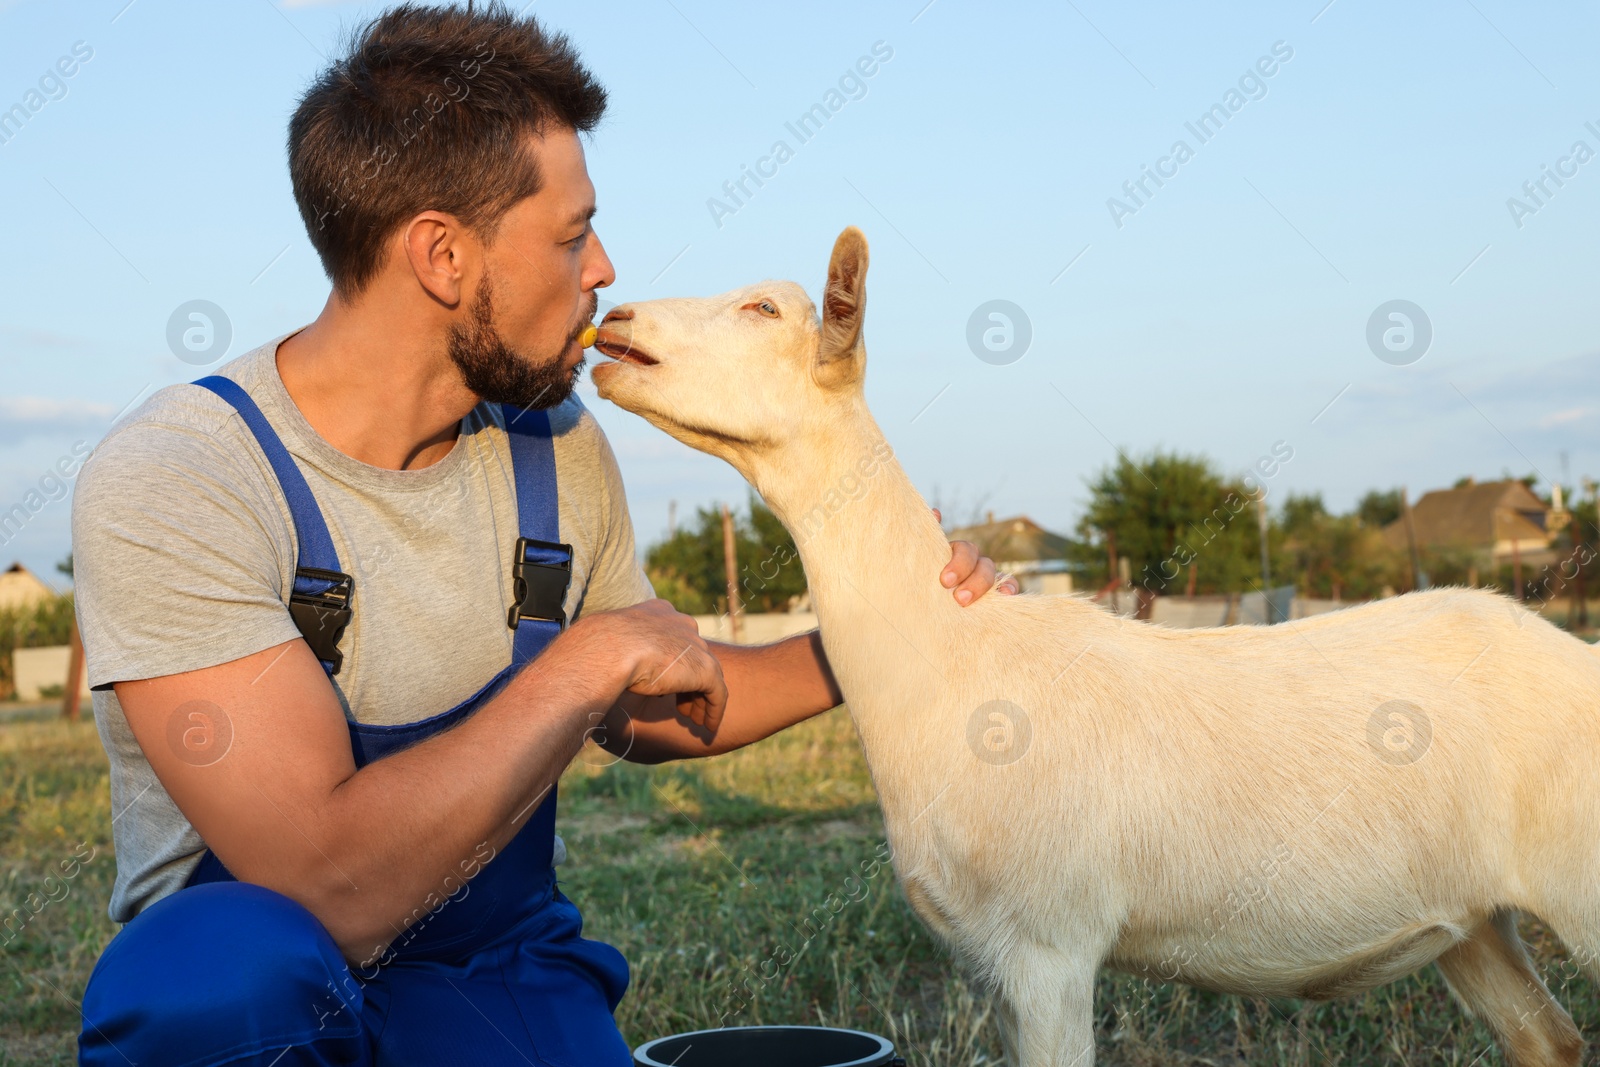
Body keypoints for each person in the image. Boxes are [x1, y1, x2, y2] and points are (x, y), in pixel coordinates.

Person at [70, 4, 1015, 1064]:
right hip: (280, 980)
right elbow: (326, 882)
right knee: (223, 976)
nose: (603, 267)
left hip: (493, 964)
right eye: (571, 235)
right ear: (442, 256)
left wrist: (883, 631)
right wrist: (583, 663)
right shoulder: (182, 476)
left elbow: (654, 701)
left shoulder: (553, 445)